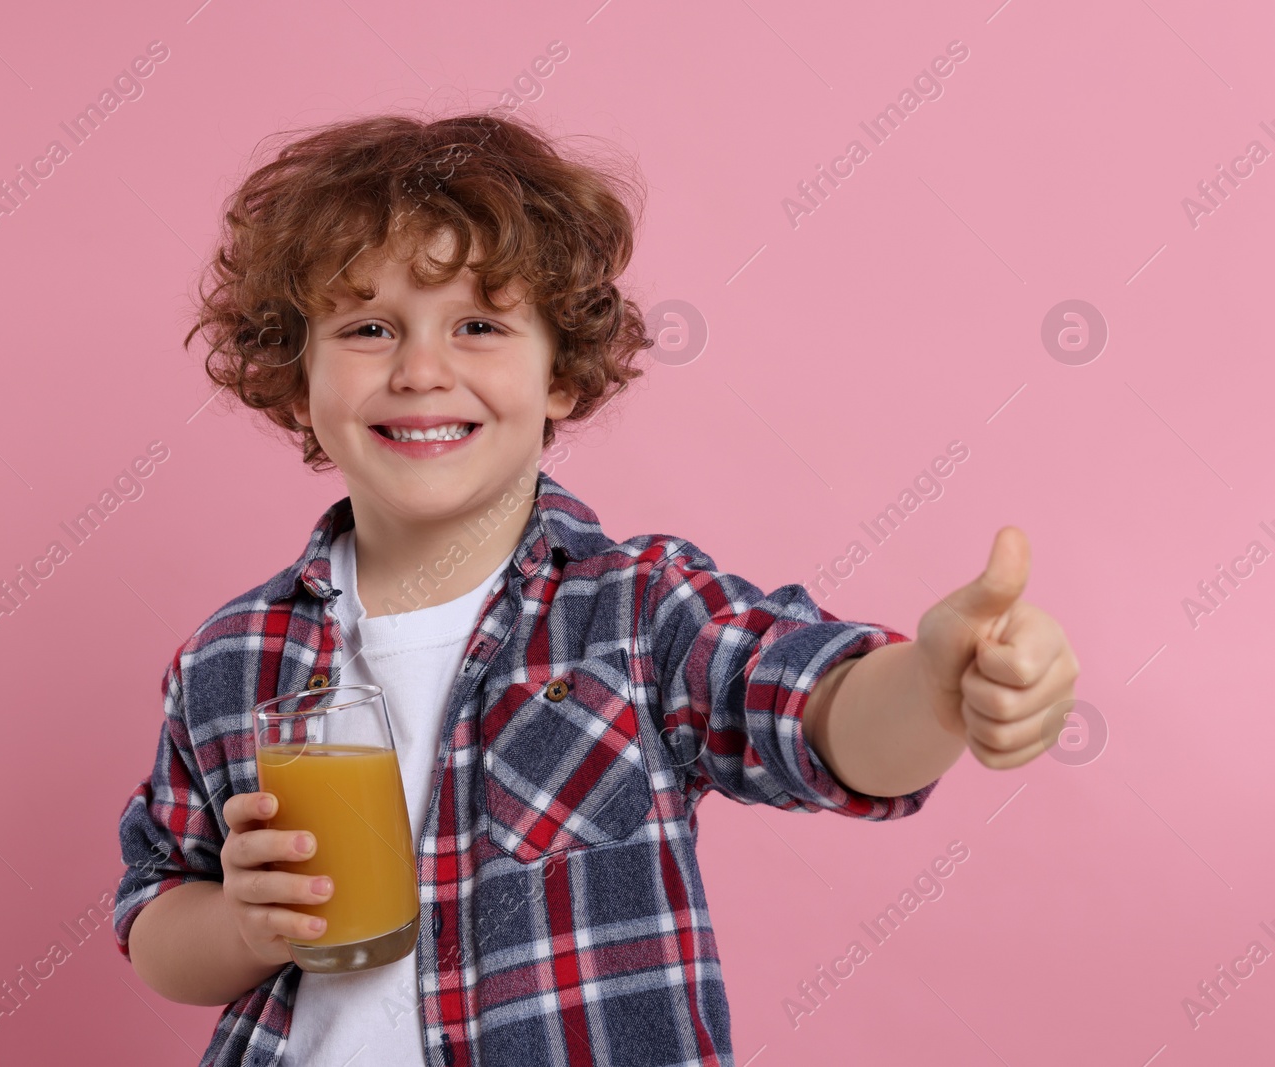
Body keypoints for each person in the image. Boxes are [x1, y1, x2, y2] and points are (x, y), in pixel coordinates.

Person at [111, 111, 1080, 1067]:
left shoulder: (637, 611)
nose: (419, 369)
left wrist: (930, 689)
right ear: (296, 380)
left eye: (480, 324)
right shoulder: (231, 657)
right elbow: (157, 908)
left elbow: (820, 716)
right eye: (366, 327)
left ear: (561, 375)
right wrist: (245, 921)